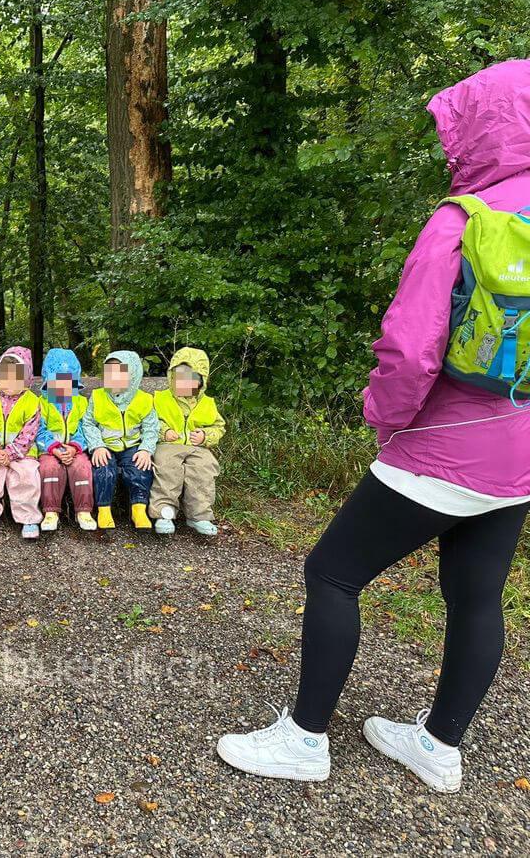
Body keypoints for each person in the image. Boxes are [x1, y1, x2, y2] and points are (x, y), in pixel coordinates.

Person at [216, 60, 530, 793]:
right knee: (478, 593)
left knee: (332, 571)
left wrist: (382, 420)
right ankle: (438, 747)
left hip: (443, 444)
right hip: (522, 455)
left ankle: (303, 740)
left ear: (485, 128)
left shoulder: (464, 221)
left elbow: (410, 347)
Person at [148, 348, 225, 536]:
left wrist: (205, 436)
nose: (183, 383)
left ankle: (199, 516)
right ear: (171, 377)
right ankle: (164, 513)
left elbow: (219, 427)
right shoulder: (160, 398)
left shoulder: (208, 403)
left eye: (190, 379)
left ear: (201, 381)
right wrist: (164, 432)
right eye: (179, 378)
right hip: (168, 445)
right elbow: (150, 420)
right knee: (166, 468)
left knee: (204, 468)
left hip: (196, 446)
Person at [82, 350, 158, 531]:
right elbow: (88, 423)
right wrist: (97, 446)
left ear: (132, 376)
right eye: (109, 373)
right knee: (103, 469)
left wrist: (146, 449)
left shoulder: (144, 400)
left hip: (133, 446)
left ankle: (139, 508)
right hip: (105, 445)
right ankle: (104, 509)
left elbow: (151, 428)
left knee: (141, 468)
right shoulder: (98, 396)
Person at [0, 346, 44, 540]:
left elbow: (29, 432)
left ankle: (28, 518)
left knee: (27, 475)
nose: (10, 382)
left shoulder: (32, 401)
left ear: (26, 379)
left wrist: (11, 453)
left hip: (23, 453)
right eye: (5, 377)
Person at [36, 348, 97, 532]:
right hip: (49, 450)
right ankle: (51, 511)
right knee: (49, 468)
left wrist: (74, 447)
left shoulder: (80, 403)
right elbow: (38, 430)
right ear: (48, 380)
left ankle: (84, 511)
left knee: (82, 467)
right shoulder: (42, 403)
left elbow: (84, 428)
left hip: (74, 450)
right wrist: (54, 448)